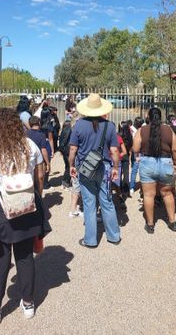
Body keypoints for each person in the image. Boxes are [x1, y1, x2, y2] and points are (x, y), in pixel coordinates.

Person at [0, 108, 49, 326]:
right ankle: (28, 303)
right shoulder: (29, 145)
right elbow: (40, 175)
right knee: (25, 256)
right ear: (17, 125)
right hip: (25, 203)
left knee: (0, 258)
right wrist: (36, 197)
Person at [69, 93, 121, 248]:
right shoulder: (110, 126)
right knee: (107, 201)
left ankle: (90, 239)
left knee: (89, 203)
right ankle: (113, 236)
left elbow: (73, 149)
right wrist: (116, 167)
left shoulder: (78, 125)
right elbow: (115, 151)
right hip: (104, 167)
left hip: (85, 167)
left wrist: (71, 165)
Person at [133, 107, 176, 234]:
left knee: (148, 195)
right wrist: (175, 163)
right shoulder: (169, 130)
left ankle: (150, 224)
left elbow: (135, 148)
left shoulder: (142, 130)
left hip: (147, 163)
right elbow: (175, 149)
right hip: (165, 162)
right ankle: (172, 221)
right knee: (167, 193)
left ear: (148, 117)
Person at [129, 117, 144, 195]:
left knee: (134, 170)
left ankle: (131, 187)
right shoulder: (143, 131)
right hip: (142, 152)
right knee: (142, 171)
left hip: (135, 152)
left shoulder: (132, 131)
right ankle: (142, 187)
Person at [58, 118, 73, 189]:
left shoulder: (63, 131)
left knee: (67, 166)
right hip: (67, 151)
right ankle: (65, 182)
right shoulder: (68, 130)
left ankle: (66, 182)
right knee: (69, 167)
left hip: (65, 151)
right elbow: (65, 142)